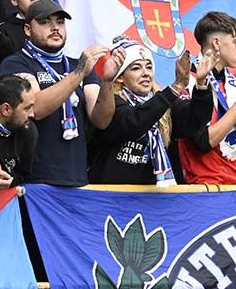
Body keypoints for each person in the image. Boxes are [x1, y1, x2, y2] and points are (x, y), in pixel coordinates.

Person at [0, 0, 107, 186]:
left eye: (60, 22)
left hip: (76, 177)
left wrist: (109, 82)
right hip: (35, 180)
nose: (55, 28)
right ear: (27, 29)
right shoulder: (16, 63)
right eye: (45, 22)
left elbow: (101, 120)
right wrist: (79, 73)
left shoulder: (76, 65)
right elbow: (36, 108)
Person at [88, 41, 212, 185]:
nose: (145, 73)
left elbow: (195, 120)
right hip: (113, 198)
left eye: (149, 67)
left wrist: (202, 84)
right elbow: (135, 121)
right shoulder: (111, 102)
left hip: (155, 200)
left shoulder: (163, 102)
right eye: (136, 68)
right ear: (120, 77)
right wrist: (175, 88)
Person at [176, 11, 236, 184]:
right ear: (216, 43)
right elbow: (203, 142)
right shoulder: (189, 81)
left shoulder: (234, 83)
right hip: (213, 183)